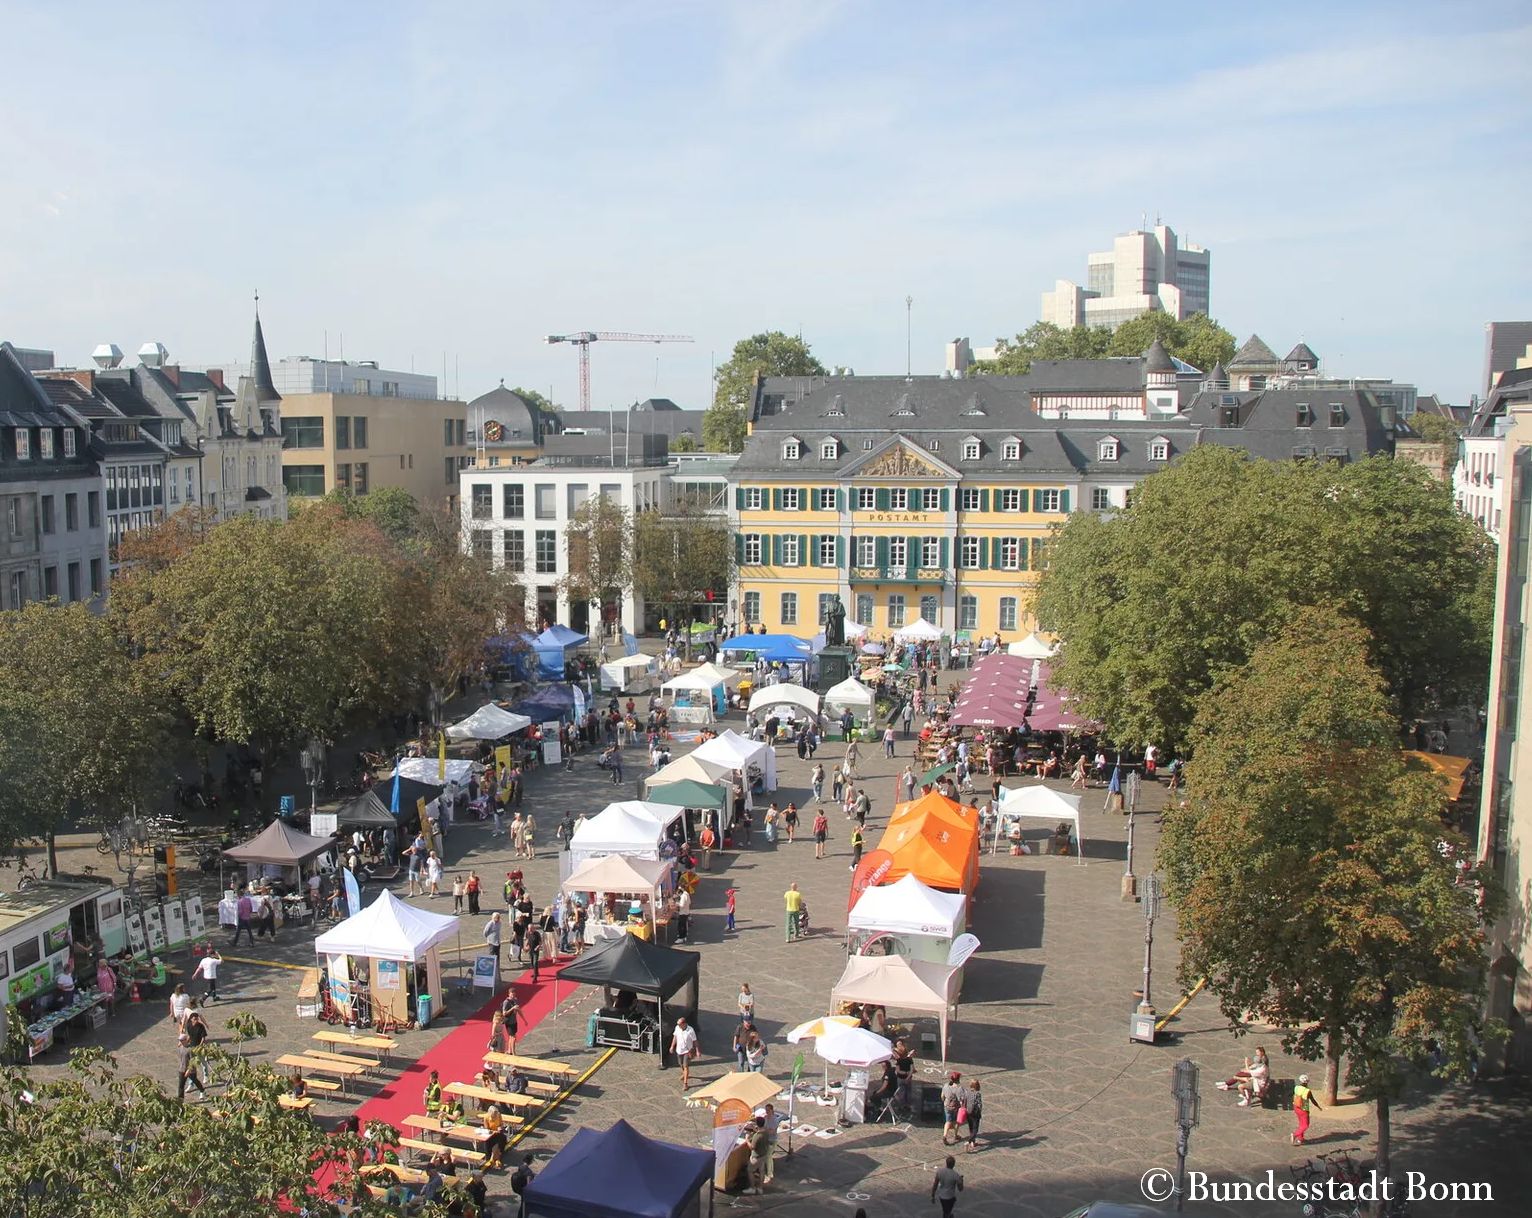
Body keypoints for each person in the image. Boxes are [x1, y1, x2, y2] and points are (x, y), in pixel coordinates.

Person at [177, 1030, 206, 1102]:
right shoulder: (180, 1048)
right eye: (179, 1040)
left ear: (186, 1040)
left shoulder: (190, 1049)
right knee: (181, 1085)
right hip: (182, 1069)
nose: (180, 1041)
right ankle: (180, 1099)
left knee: (195, 1081)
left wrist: (189, 1070)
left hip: (190, 1070)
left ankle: (202, 1091)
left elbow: (193, 1061)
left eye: (181, 1040)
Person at [671, 1016, 699, 1090]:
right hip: (679, 1050)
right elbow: (675, 1037)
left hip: (687, 1051)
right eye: (678, 1024)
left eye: (680, 1024)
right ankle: (685, 1074)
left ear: (684, 1024)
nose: (678, 1026)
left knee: (685, 1065)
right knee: (680, 1064)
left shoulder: (690, 1030)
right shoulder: (677, 1028)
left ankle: (685, 1083)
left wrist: (697, 1050)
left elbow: (695, 1041)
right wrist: (672, 1046)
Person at [1292, 1073, 1320, 1145]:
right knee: (1305, 1125)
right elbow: (1313, 1100)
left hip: (1296, 1107)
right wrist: (1318, 1106)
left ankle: (1300, 1139)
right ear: (1307, 1082)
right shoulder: (1307, 1091)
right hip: (1303, 1109)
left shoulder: (1296, 1087)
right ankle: (1295, 1135)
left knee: (1301, 1123)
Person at [746, 1117, 770, 1195]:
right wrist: (755, 1129)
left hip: (756, 1157)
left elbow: (752, 1147)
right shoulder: (766, 1131)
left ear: (757, 1124)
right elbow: (761, 1133)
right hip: (764, 1155)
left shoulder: (756, 1136)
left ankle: (752, 1188)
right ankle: (760, 1188)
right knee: (762, 1171)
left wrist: (747, 1139)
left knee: (750, 1171)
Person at [940, 1072, 964, 1146]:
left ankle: (944, 1136)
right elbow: (961, 1101)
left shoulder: (946, 1086)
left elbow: (942, 1096)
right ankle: (955, 1135)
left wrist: (944, 1101)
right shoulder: (959, 1089)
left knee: (948, 1121)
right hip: (956, 1108)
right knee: (957, 1122)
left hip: (947, 1106)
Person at [761, 1102, 782, 1182]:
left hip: (772, 1141)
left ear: (772, 1110)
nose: (766, 1111)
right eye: (766, 1110)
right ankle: (769, 1172)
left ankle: (769, 1174)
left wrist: (763, 1130)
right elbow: (764, 1126)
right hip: (766, 1139)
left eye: (768, 1110)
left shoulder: (774, 1120)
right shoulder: (766, 1117)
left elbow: (772, 1132)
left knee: (768, 1157)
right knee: (768, 1157)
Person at [481, 1104, 507, 1169]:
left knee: (500, 1139)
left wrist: (500, 1127)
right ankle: (497, 1159)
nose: (494, 1117)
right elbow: (487, 1129)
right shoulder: (486, 1117)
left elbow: (501, 1124)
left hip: (498, 1133)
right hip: (491, 1133)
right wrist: (494, 1131)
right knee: (491, 1141)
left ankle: (493, 1158)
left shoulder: (499, 1115)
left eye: (495, 1115)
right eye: (493, 1116)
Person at [893, 1039, 916, 1113]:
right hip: (907, 1078)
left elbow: (898, 1071)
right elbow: (912, 1070)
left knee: (901, 1092)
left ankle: (901, 1106)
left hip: (901, 1078)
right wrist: (908, 1076)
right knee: (908, 1092)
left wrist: (905, 1074)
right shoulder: (909, 1059)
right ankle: (907, 1105)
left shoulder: (898, 1060)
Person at [963, 1078, 983, 1151]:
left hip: (968, 1112)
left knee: (971, 1128)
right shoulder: (977, 1094)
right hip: (975, 1113)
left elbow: (964, 1101)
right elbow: (979, 1105)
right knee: (975, 1129)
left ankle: (973, 1142)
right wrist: (979, 1112)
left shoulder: (967, 1092)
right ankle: (969, 1141)